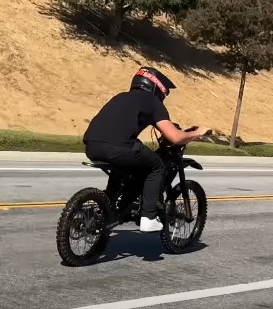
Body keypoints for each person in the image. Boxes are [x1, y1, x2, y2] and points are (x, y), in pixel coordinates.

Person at [82, 67, 209, 232]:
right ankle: (148, 217)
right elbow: (175, 137)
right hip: (119, 147)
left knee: (126, 165)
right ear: (157, 87)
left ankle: (108, 206)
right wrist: (197, 132)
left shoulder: (120, 97)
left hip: (92, 146)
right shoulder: (152, 102)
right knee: (157, 166)